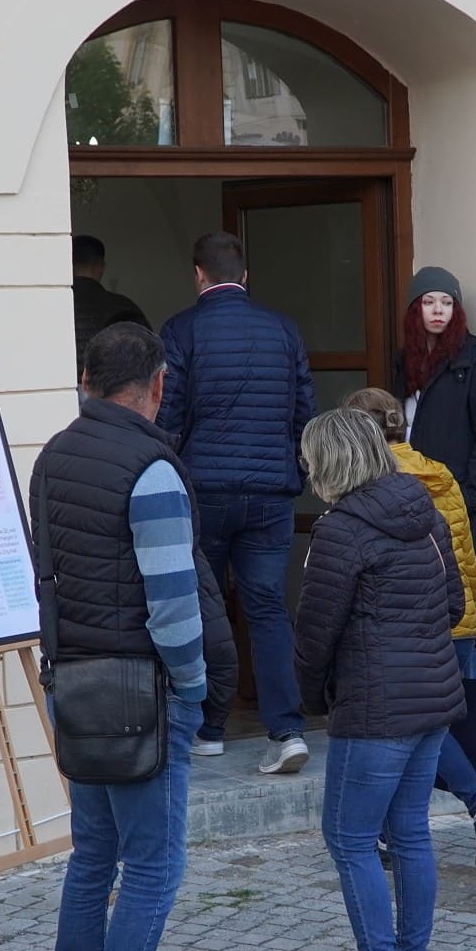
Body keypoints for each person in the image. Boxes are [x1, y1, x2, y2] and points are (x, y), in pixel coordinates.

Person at [36, 322, 237, 951]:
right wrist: (192, 685)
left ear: (88, 379)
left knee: (94, 856)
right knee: (153, 867)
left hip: (75, 683)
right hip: (140, 692)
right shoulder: (151, 469)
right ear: (156, 386)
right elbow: (173, 607)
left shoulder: (54, 457)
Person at [294, 407, 465, 951]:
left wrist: (312, 699)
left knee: (349, 839)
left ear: (328, 462)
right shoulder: (423, 514)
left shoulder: (341, 531)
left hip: (375, 707)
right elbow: (452, 605)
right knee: (410, 833)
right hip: (433, 699)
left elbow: (315, 635)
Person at [158, 232, 317, 774]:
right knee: (268, 608)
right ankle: (287, 729)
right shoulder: (284, 330)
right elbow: (304, 416)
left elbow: (169, 418)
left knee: (204, 606)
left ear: (197, 274)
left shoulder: (181, 330)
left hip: (203, 493)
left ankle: (208, 726)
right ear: (244, 277)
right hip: (270, 495)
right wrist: (292, 472)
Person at [346, 387, 476, 868]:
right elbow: (465, 552)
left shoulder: (377, 483)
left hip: (415, 624)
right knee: (428, 729)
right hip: (461, 620)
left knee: (416, 731)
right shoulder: (441, 474)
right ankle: (403, 830)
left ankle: (474, 808)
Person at [399, 267, 476, 648]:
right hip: (412, 502)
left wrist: (466, 496)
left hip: (460, 507)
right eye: (429, 302)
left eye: (447, 302)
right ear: (415, 309)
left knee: (471, 612)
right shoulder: (406, 363)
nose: (438, 310)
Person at [70, 235, 149, 371]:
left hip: (62, 387)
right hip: (110, 387)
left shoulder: (53, 308)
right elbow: (148, 355)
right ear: (101, 267)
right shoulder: (124, 306)